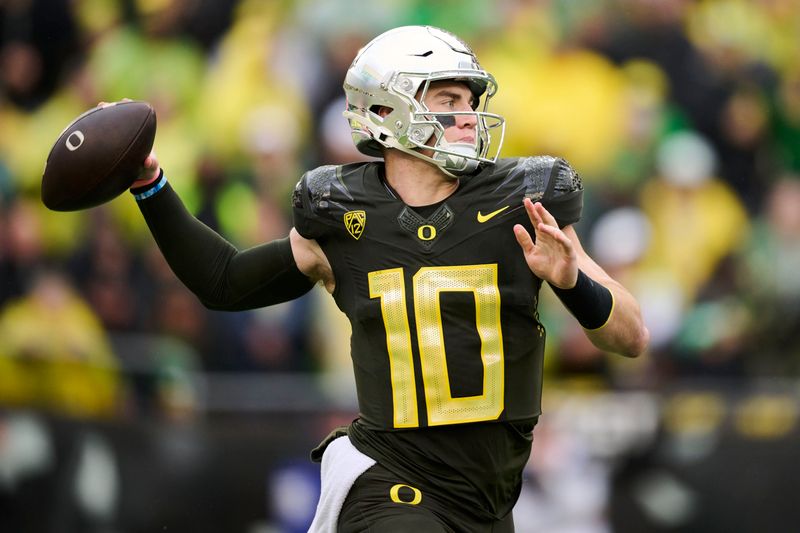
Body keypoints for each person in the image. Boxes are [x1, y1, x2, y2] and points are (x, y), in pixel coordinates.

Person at [129, 25, 648, 533]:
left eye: (470, 99)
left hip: (488, 502)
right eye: (448, 100)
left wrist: (572, 281)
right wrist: (151, 185)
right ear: (385, 111)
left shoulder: (523, 206)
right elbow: (223, 281)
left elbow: (631, 338)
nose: (468, 117)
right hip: (393, 484)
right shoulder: (342, 217)